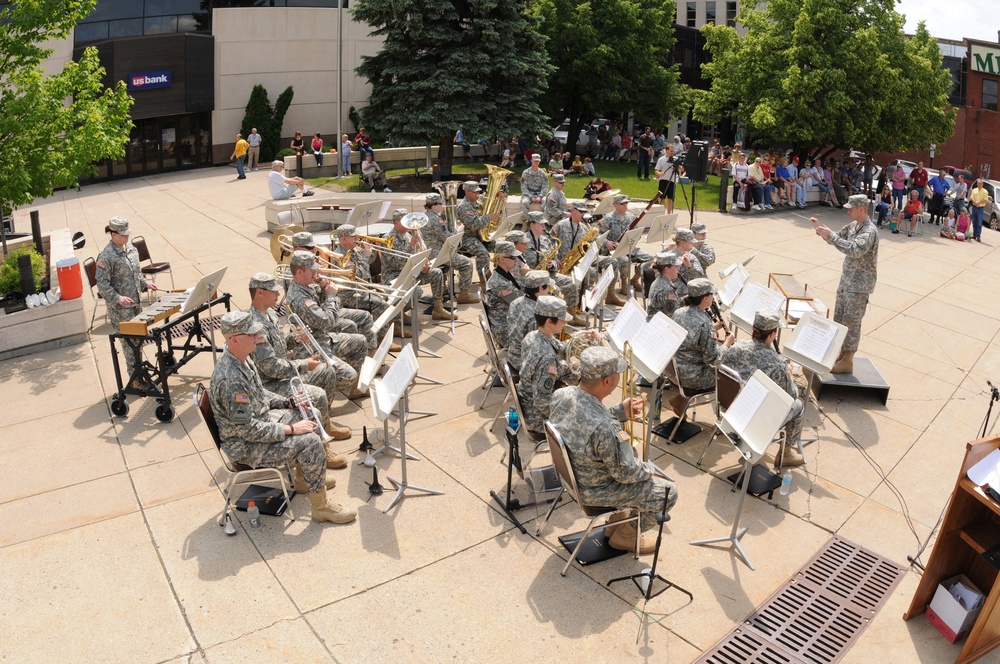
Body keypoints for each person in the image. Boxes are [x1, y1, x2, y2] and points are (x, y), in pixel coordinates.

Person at [209, 311, 356, 525]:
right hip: (246, 446)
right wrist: (291, 429)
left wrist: (287, 403)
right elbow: (247, 429)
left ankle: (304, 479)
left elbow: (260, 394)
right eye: (251, 335)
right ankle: (320, 507)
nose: (256, 338)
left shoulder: (241, 359)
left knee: (309, 414)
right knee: (309, 440)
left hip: (259, 424)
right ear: (234, 339)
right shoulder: (230, 380)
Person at [549, 346, 677, 554]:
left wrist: (618, 412)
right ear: (607, 381)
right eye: (617, 373)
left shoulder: (562, 395)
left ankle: (618, 522)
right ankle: (626, 535)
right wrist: (649, 469)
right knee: (668, 493)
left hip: (571, 478)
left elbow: (584, 422)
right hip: (595, 491)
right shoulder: (607, 429)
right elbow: (626, 473)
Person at [247, 272, 354, 450]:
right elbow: (271, 367)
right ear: (259, 292)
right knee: (317, 395)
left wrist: (295, 339)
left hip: (282, 374)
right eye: (273, 291)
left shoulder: (270, 313)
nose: (278, 294)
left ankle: (325, 423)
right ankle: (320, 447)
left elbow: (279, 344)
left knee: (327, 371)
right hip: (271, 384)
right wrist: (304, 364)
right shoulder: (255, 326)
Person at [720, 310, 806, 468]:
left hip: (732, 409)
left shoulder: (737, 346)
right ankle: (786, 454)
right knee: (799, 406)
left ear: (754, 328)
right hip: (755, 419)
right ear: (773, 334)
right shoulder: (777, 364)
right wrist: (790, 377)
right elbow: (791, 396)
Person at [810, 194, 879, 373]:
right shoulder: (854, 226)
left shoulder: (868, 231)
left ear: (861, 209)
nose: (848, 211)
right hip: (847, 282)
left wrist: (831, 237)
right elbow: (838, 237)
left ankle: (848, 360)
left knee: (852, 323)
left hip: (859, 286)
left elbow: (854, 250)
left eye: (851, 208)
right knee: (840, 320)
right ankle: (840, 355)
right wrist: (822, 232)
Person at [285, 251, 368, 397]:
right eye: (312, 269)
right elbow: (327, 321)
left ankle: (356, 390)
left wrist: (323, 289)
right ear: (299, 272)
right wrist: (331, 297)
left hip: (323, 338)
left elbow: (321, 309)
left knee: (360, 341)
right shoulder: (299, 297)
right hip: (312, 347)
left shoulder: (306, 286)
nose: (316, 272)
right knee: (349, 375)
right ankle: (320, 396)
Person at [96, 217, 158, 379]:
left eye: (127, 235)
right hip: (121, 310)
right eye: (123, 235)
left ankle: (140, 373)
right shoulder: (106, 256)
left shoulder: (130, 249)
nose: (126, 238)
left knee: (139, 341)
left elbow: (136, 273)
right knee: (130, 345)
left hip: (136, 304)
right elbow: (102, 284)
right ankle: (135, 378)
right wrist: (118, 298)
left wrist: (145, 284)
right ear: (113, 234)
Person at [669, 278, 735, 414]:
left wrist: (714, 329)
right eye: (712, 295)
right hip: (693, 376)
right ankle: (727, 416)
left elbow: (692, 338)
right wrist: (727, 344)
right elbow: (713, 360)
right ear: (705, 299)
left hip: (675, 370)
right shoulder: (705, 324)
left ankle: (681, 401)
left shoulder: (679, 312)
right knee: (733, 373)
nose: (713, 298)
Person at [518, 295, 579, 435]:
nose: (565, 323)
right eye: (562, 320)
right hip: (537, 417)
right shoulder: (548, 358)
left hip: (528, 400)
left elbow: (561, 348)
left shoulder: (534, 335)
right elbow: (542, 401)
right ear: (549, 321)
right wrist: (566, 417)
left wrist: (585, 337)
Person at [380, 208, 455, 321]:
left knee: (437, 273)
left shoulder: (408, 235)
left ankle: (438, 309)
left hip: (411, 272)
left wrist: (423, 265)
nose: (409, 224)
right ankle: (397, 314)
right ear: (396, 222)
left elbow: (418, 255)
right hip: (396, 276)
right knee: (417, 291)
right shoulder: (388, 238)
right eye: (405, 221)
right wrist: (410, 246)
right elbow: (396, 263)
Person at [521, 211, 586, 325]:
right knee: (555, 291)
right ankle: (552, 321)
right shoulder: (523, 241)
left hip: (548, 274)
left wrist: (553, 264)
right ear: (532, 224)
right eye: (541, 224)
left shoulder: (546, 240)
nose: (544, 227)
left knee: (571, 282)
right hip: (531, 278)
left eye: (544, 224)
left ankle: (572, 314)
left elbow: (556, 260)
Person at [419, 193, 478, 305]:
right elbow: (447, 237)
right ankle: (464, 295)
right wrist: (459, 230)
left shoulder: (424, 216)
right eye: (440, 204)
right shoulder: (435, 219)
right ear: (433, 206)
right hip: (439, 253)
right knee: (467, 263)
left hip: (429, 252)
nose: (442, 206)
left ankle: (443, 289)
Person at [599, 194, 654, 294]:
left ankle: (634, 280)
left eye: (626, 203)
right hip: (614, 249)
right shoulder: (608, 218)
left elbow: (637, 230)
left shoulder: (630, 216)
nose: (625, 206)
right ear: (615, 205)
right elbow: (597, 234)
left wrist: (636, 236)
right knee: (625, 261)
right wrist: (606, 242)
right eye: (622, 204)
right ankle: (624, 283)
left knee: (649, 258)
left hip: (629, 247)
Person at [456, 180, 500, 291]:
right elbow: (473, 225)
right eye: (475, 192)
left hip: (479, 236)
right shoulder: (464, 207)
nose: (478, 194)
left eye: (478, 192)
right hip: (467, 238)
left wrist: (499, 196)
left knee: (501, 247)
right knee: (483, 254)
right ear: (467, 192)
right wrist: (489, 217)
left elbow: (486, 200)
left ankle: (500, 276)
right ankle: (484, 281)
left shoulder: (475, 201)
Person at [507, 270, 555, 370]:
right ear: (541, 288)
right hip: (523, 361)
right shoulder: (535, 316)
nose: (549, 291)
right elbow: (536, 348)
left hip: (512, 353)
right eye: (548, 287)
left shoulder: (516, 301)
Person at [484, 241, 524, 348]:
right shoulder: (499, 283)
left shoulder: (506, 273)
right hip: (505, 330)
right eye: (513, 257)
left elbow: (520, 289)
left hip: (511, 320)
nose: (516, 260)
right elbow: (520, 303)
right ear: (502, 259)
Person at [646, 252, 684, 321]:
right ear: (667, 269)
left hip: (655, 322)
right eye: (675, 266)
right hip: (660, 326)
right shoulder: (667, 290)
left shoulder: (659, 280)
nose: (678, 269)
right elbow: (673, 316)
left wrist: (687, 299)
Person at [653, 145, 677, 213]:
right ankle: (662, 214)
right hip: (663, 181)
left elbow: (681, 169)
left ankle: (669, 214)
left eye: (673, 151)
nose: (672, 152)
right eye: (671, 151)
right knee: (662, 198)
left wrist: (680, 168)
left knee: (670, 199)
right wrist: (660, 174)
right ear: (667, 150)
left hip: (672, 181)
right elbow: (656, 170)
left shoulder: (675, 159)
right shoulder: (661, 159)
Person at [970, 178, 989, 243]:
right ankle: (974, 235)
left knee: (979, 222)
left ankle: (978, 236)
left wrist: (979, 202)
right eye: (978, 183)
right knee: (974, 221)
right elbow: (971, 197)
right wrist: (975, 202)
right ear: (977, 184)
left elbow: (985, 199)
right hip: (974, 207)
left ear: (982, 184)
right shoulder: (974, 190)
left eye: (981, 183)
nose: (979, 185)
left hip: (980, 208)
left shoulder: (985, 191)